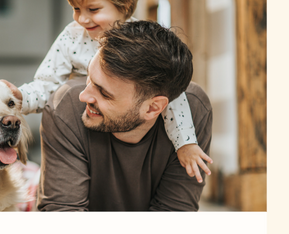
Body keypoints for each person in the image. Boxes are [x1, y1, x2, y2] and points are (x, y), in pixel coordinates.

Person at [2, 0, 211, 182]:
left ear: (124, 4)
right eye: (76, 9)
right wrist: (21, 97)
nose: (82, 18)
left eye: (93, 9)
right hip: (88, 130)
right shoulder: (73, 37)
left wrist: (185, 143)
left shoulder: (141, 43)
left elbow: (171, 93)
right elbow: (47, 82)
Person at [36, 20, 212, 211]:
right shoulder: (65, 108)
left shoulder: (193, 112)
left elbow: (173, 213)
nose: (84, 96)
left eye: (104, 93)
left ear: (153, 108)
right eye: (89, 78)